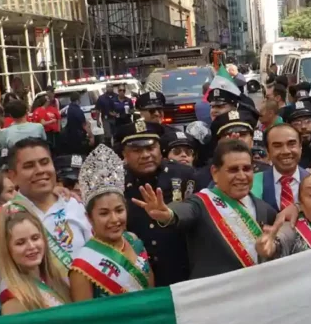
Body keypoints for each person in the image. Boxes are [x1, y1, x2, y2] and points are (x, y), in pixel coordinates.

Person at [134, 139, 277, 279]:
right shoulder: (201, 203)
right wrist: (168, 214)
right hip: (214, 297)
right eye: (233, 170)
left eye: (246, 169)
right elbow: (184, 211)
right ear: (215, 172)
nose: (241, 176)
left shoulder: (265, 210)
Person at [117, 120, 196, 287]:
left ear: (160, 149)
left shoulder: (185, 175)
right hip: (137, 276)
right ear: (124, 154)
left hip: (183, 273)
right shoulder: (117, 183)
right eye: (137, 150)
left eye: (150, 148)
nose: (146, 155)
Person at [70, 145, 153, 300]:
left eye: (119, 210)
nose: (114, 219)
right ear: (89, 217)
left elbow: (151, 293)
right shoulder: (83, 266)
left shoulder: (134, 242)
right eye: (104, 213)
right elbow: (84, 320)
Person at [5, 138, 91, 265]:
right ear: (13, 176)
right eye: (29, 166)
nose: (40, 170)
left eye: (45, 163)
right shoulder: (4, 216)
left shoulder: (75, 205)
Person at [0, 207, 70, 314]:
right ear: (7, 249)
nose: (31, 246)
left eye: (35, 238)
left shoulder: (54, 280)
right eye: (20, 243)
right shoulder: (13, 297)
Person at [261, 124, 309, 212]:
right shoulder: (255, 184)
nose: (285, 151)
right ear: (268, 151)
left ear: (300, 147)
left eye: (291, 144)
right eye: (277, 146)